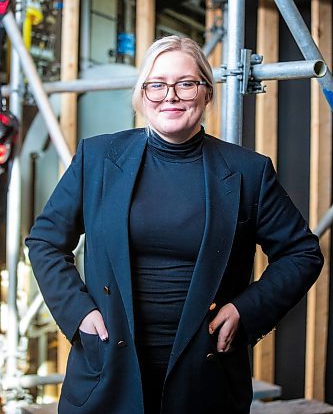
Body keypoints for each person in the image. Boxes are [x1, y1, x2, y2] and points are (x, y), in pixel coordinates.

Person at [26, 35, 323, 414]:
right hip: (107, 369)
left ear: (206, 93)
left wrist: (247, 310)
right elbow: (45, 241)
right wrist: (78, 311)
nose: (171, 96)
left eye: (186, 83)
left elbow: (302, 253)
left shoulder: (249, 171)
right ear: (142, 94)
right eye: (157, 85)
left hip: (207, 374)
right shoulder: (98, 158)